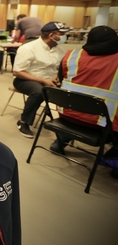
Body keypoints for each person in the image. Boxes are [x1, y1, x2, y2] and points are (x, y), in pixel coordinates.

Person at [50, 25, 118, 159]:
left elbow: (61, 80)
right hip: (103, 124)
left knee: (79, 104)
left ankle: (61, 140)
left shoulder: (72, 56)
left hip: (68, 115)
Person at [12, 21, 70, 138]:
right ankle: (23, 122)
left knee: (71, 92)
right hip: (25, 79)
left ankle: (69, 125)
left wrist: (59, 79)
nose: (65, 36)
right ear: (51, 36)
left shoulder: (61, 51)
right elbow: (18, 72)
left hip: (49, 81)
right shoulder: (29, 48)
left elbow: (61, 70)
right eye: (62, 33)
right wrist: (43, 80)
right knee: (39, 92)